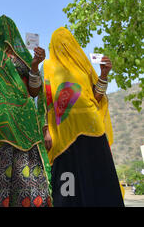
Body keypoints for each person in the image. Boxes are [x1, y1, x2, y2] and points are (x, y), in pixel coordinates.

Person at [0, 15, 52, 207]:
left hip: (27, 129)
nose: (6, 32)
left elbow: (34, 91)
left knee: (29, 184)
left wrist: (35, 65)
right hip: (0, 127)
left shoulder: (25, 57)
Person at [43, 27, 124, 207]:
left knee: (100, 182)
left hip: (92, 131)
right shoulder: (48, 66)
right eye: (60, 42)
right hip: (64, 137)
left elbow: (96, 97)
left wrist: (103, 74)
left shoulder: (83, 66)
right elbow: (45, 100)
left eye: (68, 41)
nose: (64, 45)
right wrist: (46, 129)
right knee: (67, 187)